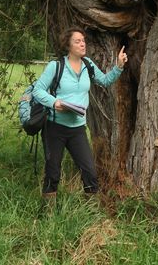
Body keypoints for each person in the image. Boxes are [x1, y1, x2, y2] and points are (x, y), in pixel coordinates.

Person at [32, 26, 127, 205]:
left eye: (83, 40)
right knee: (53, 172)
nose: (82, 44)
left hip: (77, 129)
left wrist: (119, 66)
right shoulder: (56, 66)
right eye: (77, 41)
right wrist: (55, 102)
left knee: (89, 171)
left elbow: (105, 81)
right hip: (55, 127)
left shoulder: (88, 65)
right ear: (68, 45)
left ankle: (90, 213)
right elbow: (38, 90)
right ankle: (48, 213)